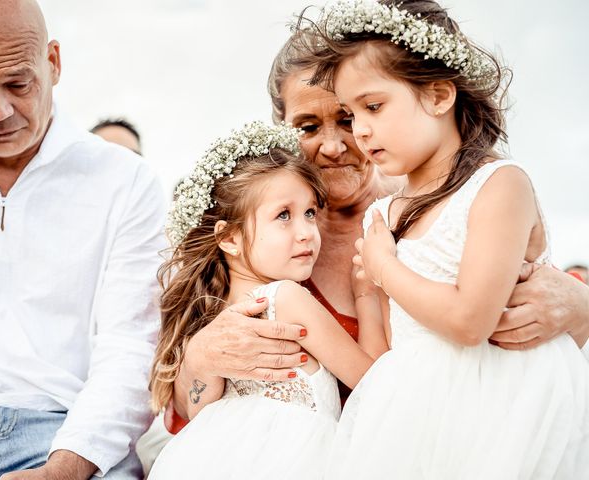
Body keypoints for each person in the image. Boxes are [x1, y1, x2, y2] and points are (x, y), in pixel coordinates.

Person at [164, 20, 589, 436]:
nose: (333, 146)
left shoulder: (451, 205)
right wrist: (200, 358)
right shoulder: (257, 244)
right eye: (308, 127)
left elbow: (518, 299)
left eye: (350, 117)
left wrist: (582, 303)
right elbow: (188, 413)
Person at [298, 0, 589, 477]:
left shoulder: (498, 185)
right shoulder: (384, 213)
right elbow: (395, 343)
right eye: (352, 115)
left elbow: (471, 321)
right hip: (416, 411)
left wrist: (385, 269)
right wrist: (369, 290)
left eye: (373, 106)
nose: (361, 131)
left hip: (504, 406)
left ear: (437, 96)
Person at [0, 0, 166, 478]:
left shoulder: (126, 181)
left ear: (53, 63)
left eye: (17, 84)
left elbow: (132, 348)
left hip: (67, 432)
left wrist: (63, 469)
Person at [147, 122, 385, 479]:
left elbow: (197, 411)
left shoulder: (214, 315)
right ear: (229, 238)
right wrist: (367, 294)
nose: (306, 232)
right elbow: (375, 384)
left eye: (309, 213)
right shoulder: (287, 298)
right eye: (283, 216)